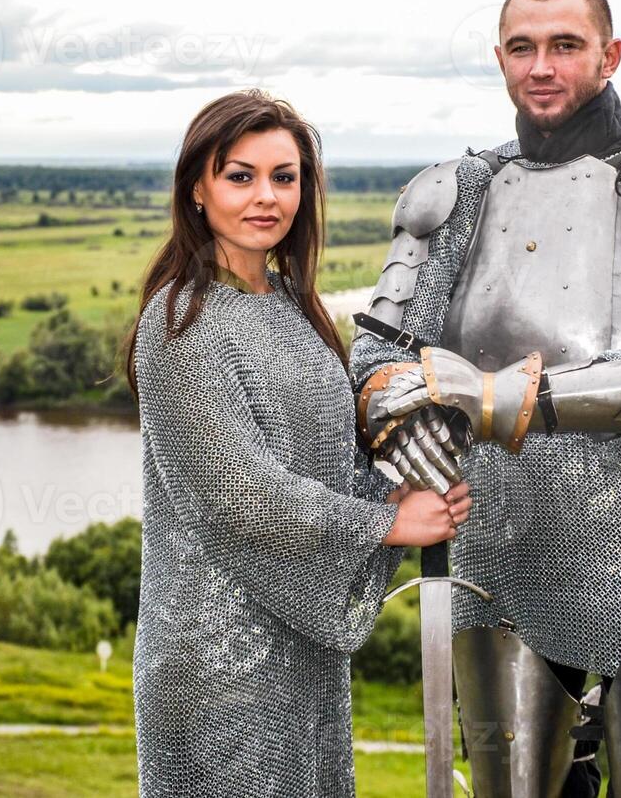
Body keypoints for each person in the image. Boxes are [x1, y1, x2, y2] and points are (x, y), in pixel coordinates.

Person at [350, 0, 621, 796]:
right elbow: (378, 353)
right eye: (522, 47)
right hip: (496, 554)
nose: (542, 66)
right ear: (500, 59)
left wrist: (491, 398)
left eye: (565, 46)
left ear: (608, 57)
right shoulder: (453, 193)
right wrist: (395, 407)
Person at [126, 89, 472, 798]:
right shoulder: (179, 321)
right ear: (197, 188)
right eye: (239, 175)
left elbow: (324, 463)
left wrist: (398, 487)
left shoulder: (292, 305)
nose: (266, 197)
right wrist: (386, 523)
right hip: (212, 655)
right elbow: (237, 496)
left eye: (284, 177)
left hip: (300, 647)